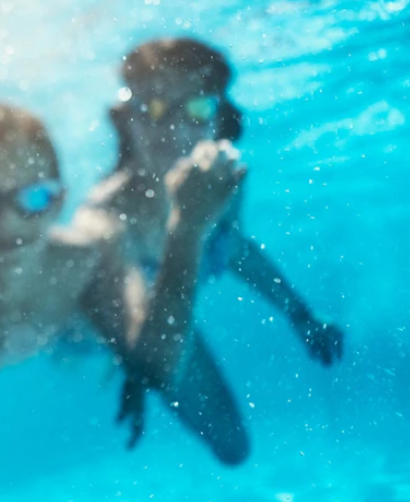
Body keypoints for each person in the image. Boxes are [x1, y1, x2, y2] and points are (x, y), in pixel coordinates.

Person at [0, 102, 245, 501]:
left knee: (233, 445)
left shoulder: (87, 259)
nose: (9, 223)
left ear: (59, 200)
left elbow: (158, 366)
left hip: (87, 331)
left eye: (33, 198)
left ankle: (123, 354)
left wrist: (187, 230)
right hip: (70, 332)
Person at [76, 37, 346, 464]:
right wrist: (135, 368)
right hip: (92, 332)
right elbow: (111, 312)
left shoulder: (221, 178)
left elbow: (233, 248)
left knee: (234, 447)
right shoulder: (108, 214)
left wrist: (301, 315)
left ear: (220, 119)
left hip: (163, 320)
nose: (176, 127)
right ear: (127, 118)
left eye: (197, 109)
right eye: (156, 108)